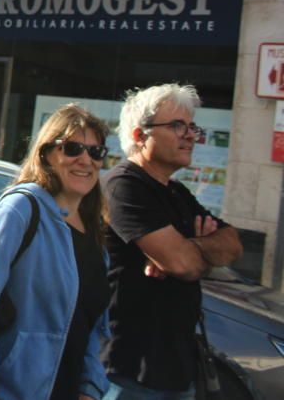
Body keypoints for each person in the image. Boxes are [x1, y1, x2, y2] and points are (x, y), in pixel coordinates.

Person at [0, 103, 111, 400]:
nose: (85, 160)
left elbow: (92, 325)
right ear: (47, 154)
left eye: (96, 151)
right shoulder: (19, 212)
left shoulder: (95, 232)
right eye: (73, 148)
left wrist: (91, 387)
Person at [102, 84, 242, 400]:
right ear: (140, 136)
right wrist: (189, 254)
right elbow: (182, 264)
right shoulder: (124, 187)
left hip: (177, 371)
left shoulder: (177, 193)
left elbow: (233, 243)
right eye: (178, 125)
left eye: (192, 126)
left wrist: (188, 248)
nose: (191, 135)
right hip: (128, 373)